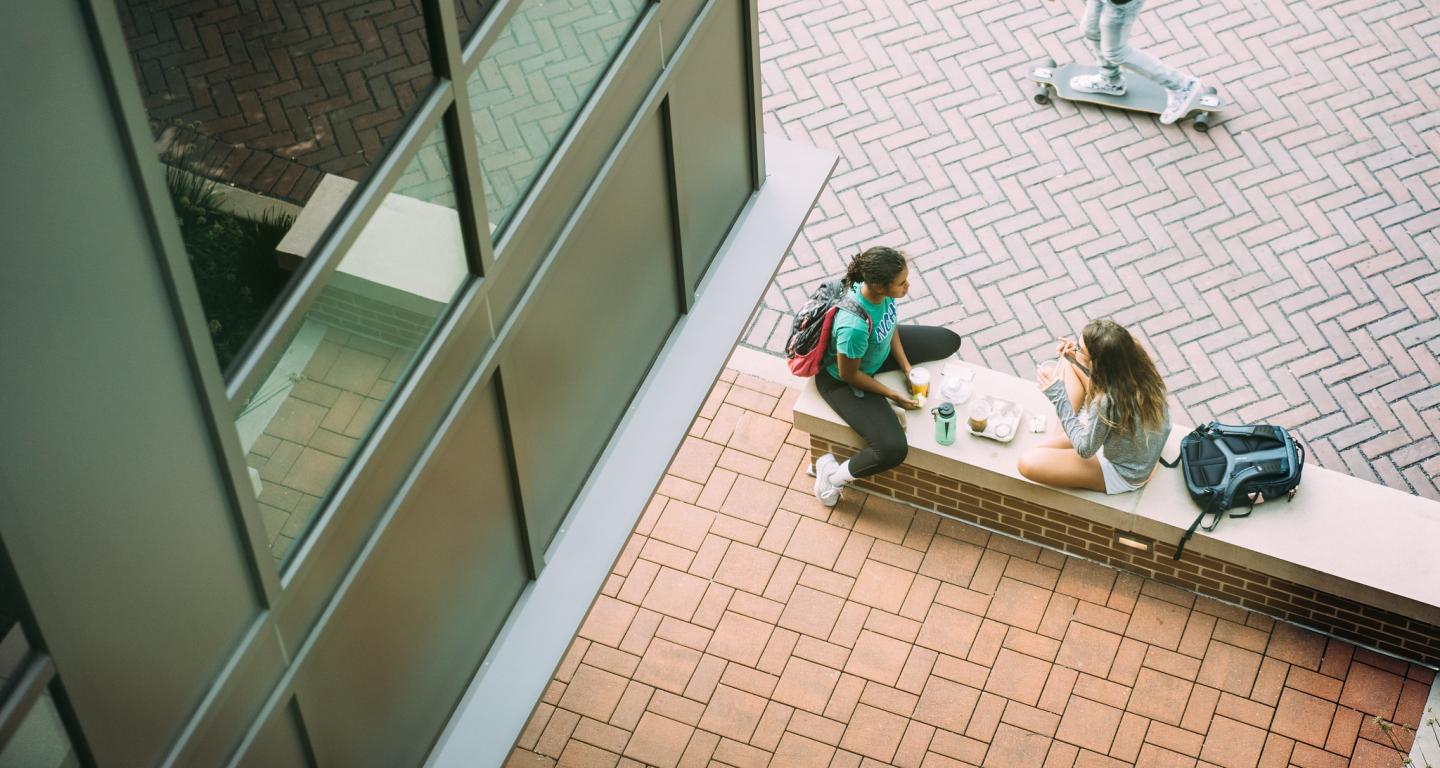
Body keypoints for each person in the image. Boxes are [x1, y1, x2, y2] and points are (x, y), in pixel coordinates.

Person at [812, 247, 961, 506]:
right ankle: (832, 477)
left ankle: (897, 369)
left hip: (874, 351)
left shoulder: (882, 296)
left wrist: (906, 368)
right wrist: (892, 395)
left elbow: (888, 325)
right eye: (902, 283)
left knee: (949, 341)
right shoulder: (853, 326)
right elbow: (850, 374)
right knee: (893, 449)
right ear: (880, 286)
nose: (908, 286)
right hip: (843, 379)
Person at [1018, 319, 1171, 494]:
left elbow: (1085, 450)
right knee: (1068, 363)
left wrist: (1058, 397)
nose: (1075, 348)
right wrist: (1076, 357)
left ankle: (1065, 438)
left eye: (1080, 349)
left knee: (1027, 461)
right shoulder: (1136, 362)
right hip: (1133, 444)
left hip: (1123, 471)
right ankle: (1066, 438)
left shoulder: (1108, 402)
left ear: (1098, 364)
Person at [1059, 0, 1202, 125]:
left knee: (1115, 53)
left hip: (1120, 4)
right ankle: (1110, 80)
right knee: (1091, 31)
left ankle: (1181, 85)